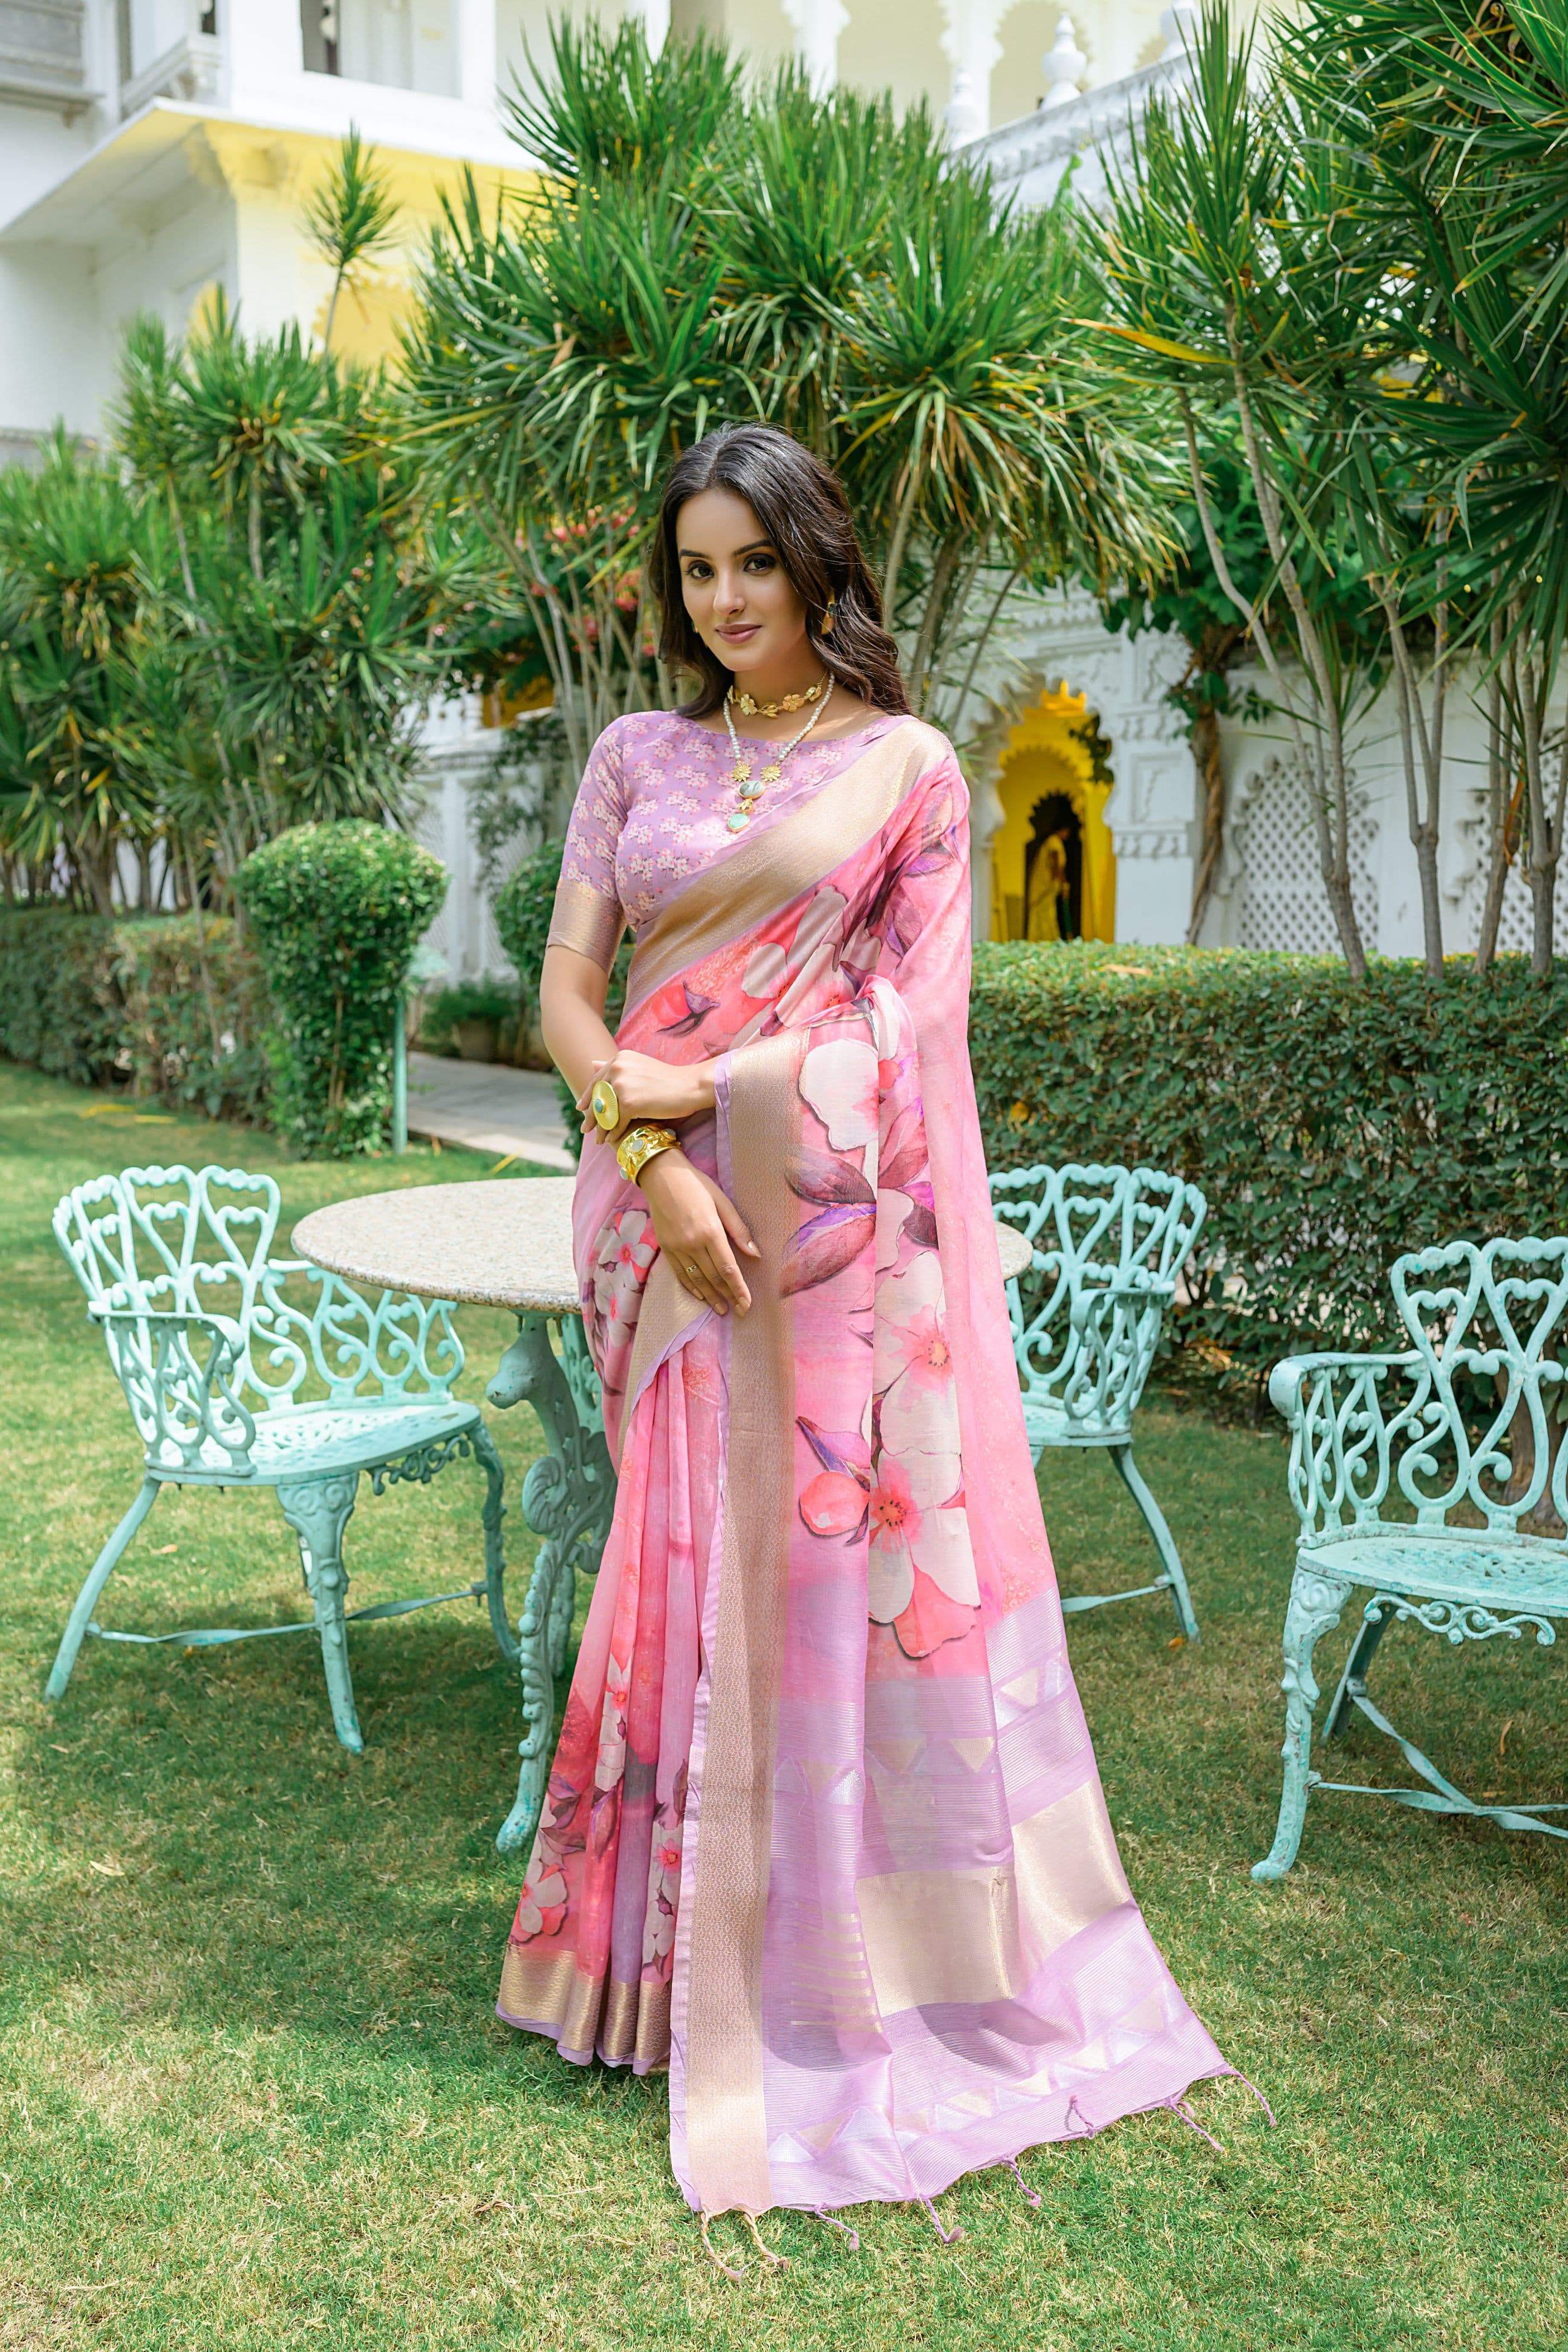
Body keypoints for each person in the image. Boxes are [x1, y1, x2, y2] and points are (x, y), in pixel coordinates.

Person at [498, 423, 1238, 2262]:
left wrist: (703, 1096)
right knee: (672, 1563)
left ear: (818, 561)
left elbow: (913, 1028)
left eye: (754, 562)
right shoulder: (634, 752)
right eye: (695, 569)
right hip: (657, 1214)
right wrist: (649, 1152)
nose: (723, 599)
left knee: (806, 1580)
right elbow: (567, 989)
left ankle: (806, 1957)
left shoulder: (907, 770)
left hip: (820, 1218)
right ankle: (636, 1973)